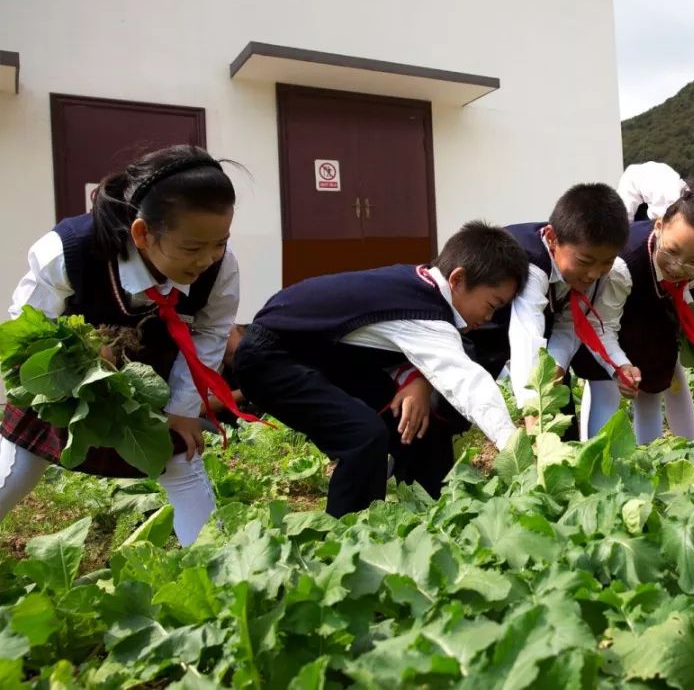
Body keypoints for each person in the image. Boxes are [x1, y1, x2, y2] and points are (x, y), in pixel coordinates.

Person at [0, 145, 246, 546]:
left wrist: (182, 410)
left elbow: (212, 332)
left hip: (150, 376)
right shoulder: (68, 250)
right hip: (64, 379)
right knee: (17, 466)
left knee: (181, 461)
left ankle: (217, 570)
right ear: (142, 234)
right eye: (191, 248)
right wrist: (78, 358)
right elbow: (26, 328)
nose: (207, 258)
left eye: (219, 242)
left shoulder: (221, 264)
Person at [233, 221, 529, 516]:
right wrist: (514, 447)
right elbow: (469, 385)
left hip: (319, 355)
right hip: (271, 358)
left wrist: (415, 380)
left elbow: (381, 346)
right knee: (363, 435)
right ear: (457, 280)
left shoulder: (416, 285)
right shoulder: (427, 314)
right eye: (491, 304)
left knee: (422, 425)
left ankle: (435, 514)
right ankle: (349, 536)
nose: (488, 316)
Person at [573, 184, 694, 442]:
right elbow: (601, 327)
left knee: (651, 387)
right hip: (604, 322)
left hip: (649, 317)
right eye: (671, 251)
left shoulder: (686, 264)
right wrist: (618, 365)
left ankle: (650, 456)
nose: (677, 266)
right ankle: (594, 463)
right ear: (659, 226)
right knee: (605, 390)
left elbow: (679, 291)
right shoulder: (623, 265)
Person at [493, 184, 638, 439]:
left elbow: (572, 326)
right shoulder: (533, 261)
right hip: (482, 343)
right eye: (584, 262)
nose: (594, 273)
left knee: (564, 432)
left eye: (607, 262)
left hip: (536, 352)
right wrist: (533, 406)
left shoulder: (601, 275)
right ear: (552, 238)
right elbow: (527, 331)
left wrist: (558, 365)